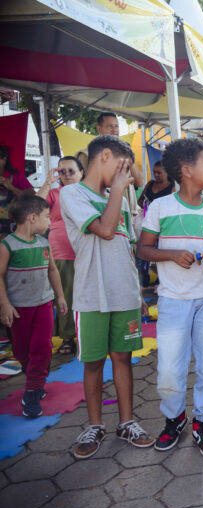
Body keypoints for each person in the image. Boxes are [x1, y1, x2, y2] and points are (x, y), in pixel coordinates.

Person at [60, 135, 154, 459]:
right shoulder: (73, 193)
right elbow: (105, 229)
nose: (125, 175)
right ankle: (95, 425)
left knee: (123, 358)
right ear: (104, 156)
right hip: (91, 296)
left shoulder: (121, 199)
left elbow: (127, 248)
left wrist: (138, 293)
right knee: (94, 362)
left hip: (124, 294)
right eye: (122, 166)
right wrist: (118, 191)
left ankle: (126, 422)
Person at [137, 138, 203, 458]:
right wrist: (173, 254)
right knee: (169, 370)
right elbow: (143, 249)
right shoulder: (161, 207)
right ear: (187, 170)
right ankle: (174, 418)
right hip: (173, 299)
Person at [0, 195, 67, 417]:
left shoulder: (44, 243)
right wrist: (5, 305)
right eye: (46, 217)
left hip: (44, 304)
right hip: (19, 309)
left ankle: (32, 390)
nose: (49, 222)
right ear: (32, 218)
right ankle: (35, 376)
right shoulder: (7, 246)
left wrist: (60, 297)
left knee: (42, 346)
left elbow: (52, 270)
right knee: (21, 350)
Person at [36, 156, 84, 355]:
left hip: (87, 251)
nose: (67, 175)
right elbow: (34, 207)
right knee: (65, 295)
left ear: (81, 172)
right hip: (62, 252)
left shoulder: (89, 193)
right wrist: (48, 182)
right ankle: (68, 336)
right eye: (62, 171)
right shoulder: (54, 194)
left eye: (71, 171)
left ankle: (89, 333)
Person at [75, 113, 144, 220]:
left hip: (125, 212)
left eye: (116, 126)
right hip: (99, 212)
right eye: (110, 126)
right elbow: (83, 185)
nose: (114, 130)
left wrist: (129, 158)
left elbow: (139, 182)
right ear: (99, 129)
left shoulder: (124, 153)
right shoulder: (87, 155)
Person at [136, 161, 174, 287]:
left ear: (167, 173)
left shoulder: (172, 187)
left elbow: (173, 207)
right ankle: (143, 281)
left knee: (160, 253)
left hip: (163, 226)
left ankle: (161, 282)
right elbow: (140, 201)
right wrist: (146, 205)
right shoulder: (150, 184)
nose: (156, 175)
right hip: (147, 224)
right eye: (154, 172)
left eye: (159, 172)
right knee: (143, 252)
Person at [0, 144, 34, 237]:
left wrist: (11, 187)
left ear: (4, 159)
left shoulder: (16, 177)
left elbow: (32, 198)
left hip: (12, 226)